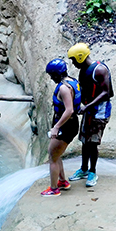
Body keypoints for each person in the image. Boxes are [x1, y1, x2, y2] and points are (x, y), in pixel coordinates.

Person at [67, 43, 114, 187]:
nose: (73, 63)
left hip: (99, 111)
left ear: (80, 58)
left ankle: (93, 171)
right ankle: (83, 169)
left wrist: (87, 106)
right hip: (89, 110)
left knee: (93, 142)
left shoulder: (99, 70)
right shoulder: (83, 70)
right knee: (85, 140)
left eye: (74, 60)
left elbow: (107, 93)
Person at [41, 59, 81, 197]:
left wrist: (56, 127)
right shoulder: (72, 81)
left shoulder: (64, 88)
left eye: (52, 75)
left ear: (57, 74)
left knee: (52, 156)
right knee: (56, 154)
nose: (51, 78)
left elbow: (69, 110)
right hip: (70, 123)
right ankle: (63, 181)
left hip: (66, 125)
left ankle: (54, 189)